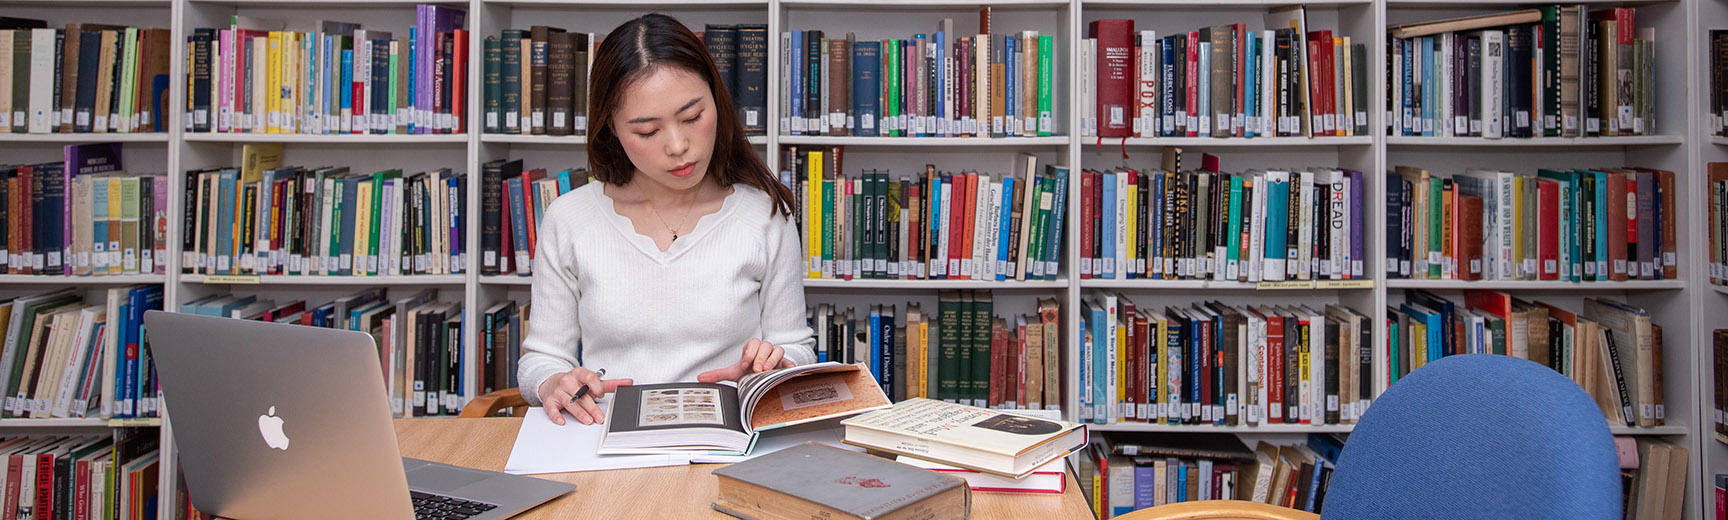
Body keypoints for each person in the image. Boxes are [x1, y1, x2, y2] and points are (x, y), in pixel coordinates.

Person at [516, 14, 814, 426]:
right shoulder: (570, 219)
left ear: (717, 100)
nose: (678, 146)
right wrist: (552, 383)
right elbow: (542, 358)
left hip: (728, 438)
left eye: (692, 117)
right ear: (612, 130)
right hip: (603, 437)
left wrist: (772, 368)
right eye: (647, 131)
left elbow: (795, 347)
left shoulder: (764, 216)